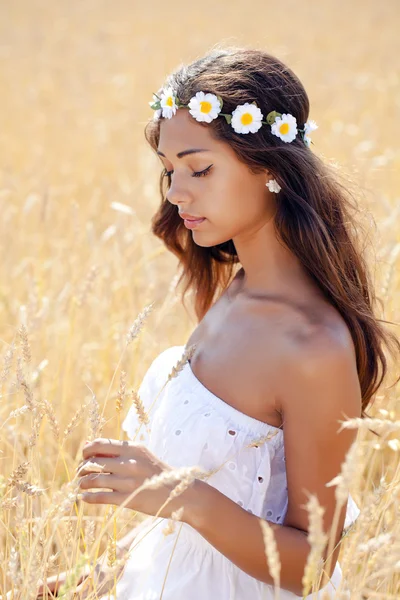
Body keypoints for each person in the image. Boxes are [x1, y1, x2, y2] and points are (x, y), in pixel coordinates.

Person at [55, 46, 400, 599]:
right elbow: (203, 515)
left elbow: (313, 565)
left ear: (267, 165)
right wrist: (95, 578)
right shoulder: (235, 293)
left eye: (200, 168)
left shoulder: (312, 346)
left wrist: (177, 492)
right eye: (169, 170)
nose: (175, 191)